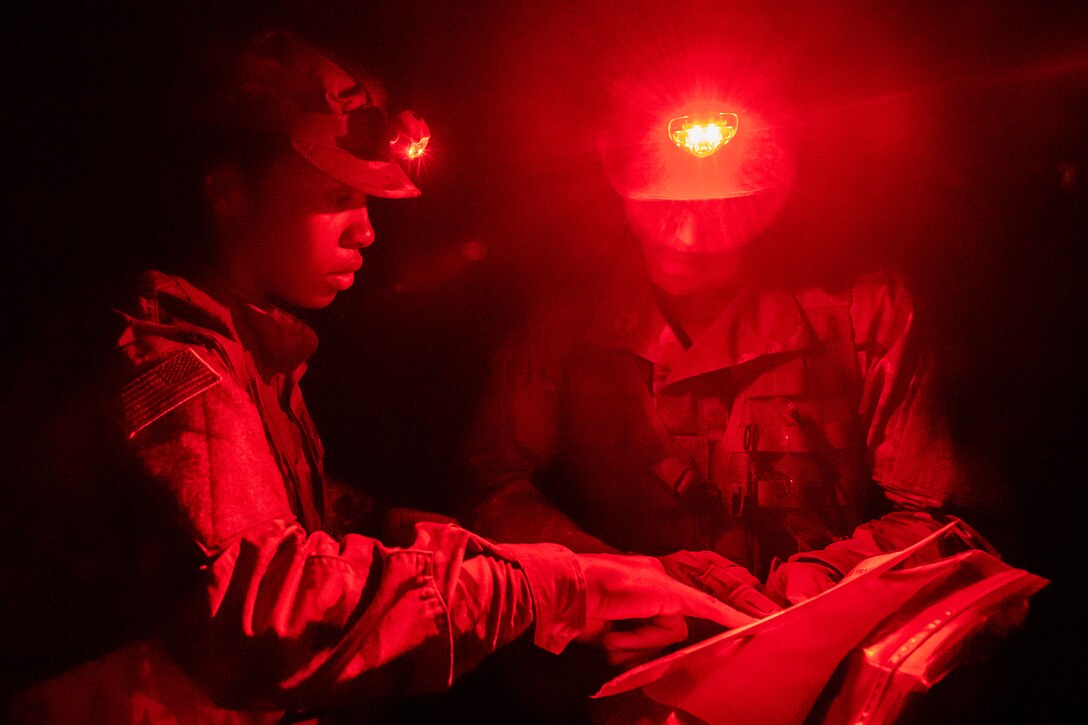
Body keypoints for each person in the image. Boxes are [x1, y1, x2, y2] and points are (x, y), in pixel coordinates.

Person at [0, 25, 747, 724]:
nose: (366, 229)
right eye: (336, 198)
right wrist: (558, 586)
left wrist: (595, 573)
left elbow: (334, 527)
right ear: (228, 191)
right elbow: (270, 614)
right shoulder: (163, 357)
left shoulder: (245, 349)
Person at [456, 48, 1012, 717]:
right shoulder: (562, 324)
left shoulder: (862, 307)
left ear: (769, 187)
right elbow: (488, 489)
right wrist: (617, 579)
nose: (691, 230)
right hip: (635, 674)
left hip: (825, 673)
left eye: (723, 203)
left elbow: (944, 516)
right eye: (667, 206)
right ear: (618, 174)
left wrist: (816, 584)